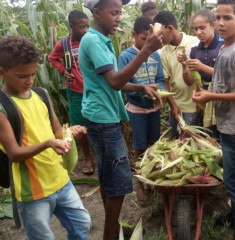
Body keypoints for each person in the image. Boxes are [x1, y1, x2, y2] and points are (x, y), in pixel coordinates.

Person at [79, 0, 162, 239]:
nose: (118, 18)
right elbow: (115, 81)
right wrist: (146, 49)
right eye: (114, 13)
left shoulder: (102, 41)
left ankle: (111, 228)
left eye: (120, 13)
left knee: (107, 175)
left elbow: (114, 81)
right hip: (103, 119)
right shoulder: (93, 40)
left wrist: (141, 86)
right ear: (96, 12)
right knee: (118, 177)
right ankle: (110, 234)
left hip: (103, 115)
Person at [0, 35, 90, 240]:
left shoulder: (41, 94)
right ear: (2, 73)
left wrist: (69, 132)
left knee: (82, 224)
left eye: (33, 74)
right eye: (22, 76)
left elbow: (57, 130)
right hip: (33, 191)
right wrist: (49, 143)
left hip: (60, 179)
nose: (30, 80)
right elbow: (14, 153)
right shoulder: (3, 107)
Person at [192, 0, 235, 239]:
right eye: (218, 17)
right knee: (232, 176)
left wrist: (211, 95)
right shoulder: (225, 47)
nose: (220, 23)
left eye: (227, 18)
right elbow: (225, 81)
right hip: (228, 123)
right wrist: (206, 94)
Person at [118, 16, 165, 206]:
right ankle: (139, 183)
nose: (148, 43)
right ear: (134, 35)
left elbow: (160, 78)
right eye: (145, 39)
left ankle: (151, 178)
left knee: (153, 145)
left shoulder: (155, 55)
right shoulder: (126, 56)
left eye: (150, 39)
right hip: (137, 110)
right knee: (139, 147)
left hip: (154, 108)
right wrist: (143, 91)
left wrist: (158, 90)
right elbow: (123, 84)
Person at [48, 10, 95, 175]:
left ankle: (99, 153)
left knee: (96, 122)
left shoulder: (90, 41)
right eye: (82, 27)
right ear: (71, 26)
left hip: (93, 91)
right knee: (79, 127)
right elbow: (52, 58)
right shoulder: (64, 45)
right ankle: (88, 157)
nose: (85, 30)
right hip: (75, 93)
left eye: (88, 26)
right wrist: (62, 70)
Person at [153, 11, 200, 139]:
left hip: (194, 106)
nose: (159, 39)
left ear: (170, 28)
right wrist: (173, 105)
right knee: (176, 143)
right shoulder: (162, 53)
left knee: (193, 144)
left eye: (160, 35)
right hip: (176, 106)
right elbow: (165, 82)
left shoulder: (195, 43)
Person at [178, 8, 223, 138]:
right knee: (206, 135)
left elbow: (227, 76)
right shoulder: (194, 49)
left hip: (220, 95)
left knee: (220, 133)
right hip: (202, 96)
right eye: (195, 29)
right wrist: (184, 66)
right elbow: (189, 81)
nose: (198, 32)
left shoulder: (223, 45)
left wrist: (202, 67)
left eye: (202, 28)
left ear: (213, 25)